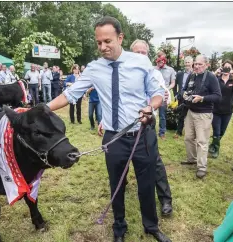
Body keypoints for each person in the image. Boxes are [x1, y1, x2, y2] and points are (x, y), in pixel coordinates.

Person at [47, 16, 170, 242]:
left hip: (143, 135)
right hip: (114, 138)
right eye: (98, 42)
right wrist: (43, 109)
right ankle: (119, 228)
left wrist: (150, 107)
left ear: (120, 38)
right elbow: (69, 95)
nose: (103, 47)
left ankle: (151, 226)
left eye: (107, 41)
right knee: (117, 186)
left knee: (146, 183)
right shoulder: (94, 69)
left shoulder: (141, 63)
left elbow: (157, 93)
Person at [130, 39, 173, 217]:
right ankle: (120, 187)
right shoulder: (122, 72)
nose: (140, 56)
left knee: (154, 161)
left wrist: (159, 99)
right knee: (121, 159)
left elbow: (165, 97)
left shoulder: (154, 74)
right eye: (137, 53)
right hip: (123, 124)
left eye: (143, 53)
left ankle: (165, 199)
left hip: (146, 123)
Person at [180, 55, 221, 179]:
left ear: (206, 65)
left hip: (204, 114)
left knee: (202, 141)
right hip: (191, 112)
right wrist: (183, 94)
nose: (196, 66)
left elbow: (218, 96)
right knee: (188, 138)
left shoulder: (211, 77)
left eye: (199, 64)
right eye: (195, 64)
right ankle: (192, 159)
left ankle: (202, 167)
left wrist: (202, 98)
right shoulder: (192, 75)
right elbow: (184, 89)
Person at [208, 60, 233, 158]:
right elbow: (209, 84)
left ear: (232, 69)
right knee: (216, 130)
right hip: (216, 109)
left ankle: (213, 145)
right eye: (225, 67)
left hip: (227, 110)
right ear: (222, 67)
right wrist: (216, 73)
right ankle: (216, 150)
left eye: (229, 68)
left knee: (222, 131)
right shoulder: (217, 78)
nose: (227, 69)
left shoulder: (232, 80)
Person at [154, 55, 176, 140]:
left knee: (162, 115)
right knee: (152, 113)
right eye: (158, 61)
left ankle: (162, 133)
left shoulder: (170, 70)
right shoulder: (153, 69)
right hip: (154, 94)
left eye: (161, 61)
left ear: (164, 61)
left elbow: (173, 83)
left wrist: (167, 89)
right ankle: (151, 131)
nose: (160, 63)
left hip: (165, 94)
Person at [174, 56, 193, 139]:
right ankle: (179, 131)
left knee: (190, 114)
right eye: (186, 62)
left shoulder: (194, 74)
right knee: (181, 114)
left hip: (191, 97)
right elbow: (175, 85)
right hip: (181, 96)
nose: (187, 64)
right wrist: (175, 93)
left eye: (189, 62)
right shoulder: (179, 74)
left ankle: (190, 132)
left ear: (192, 63)